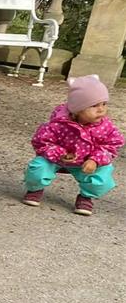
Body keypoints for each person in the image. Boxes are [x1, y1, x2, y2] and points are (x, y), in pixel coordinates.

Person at [22, 74, 122, 215]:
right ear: (77, 109)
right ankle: (35, 188)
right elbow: (41, 141)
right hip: (56, 159)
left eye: (104, 104)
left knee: (103, 177)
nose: (101, 109)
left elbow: (112, 145)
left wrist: (95, 159)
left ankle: (86, 196)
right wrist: (59, 154)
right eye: (94, 105)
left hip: (87, 162)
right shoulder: (59, 123)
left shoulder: (105, 126)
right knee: (38, 167)